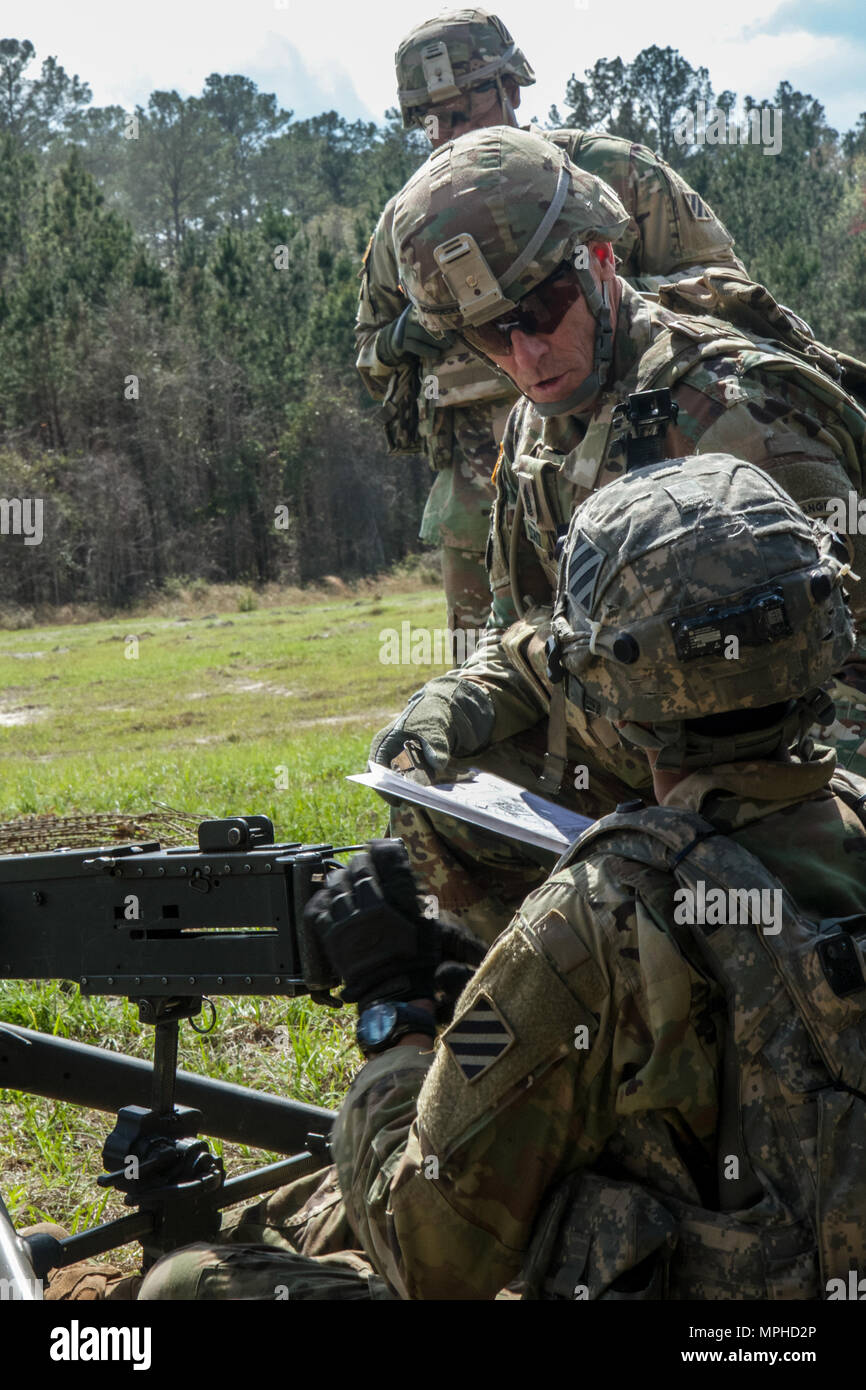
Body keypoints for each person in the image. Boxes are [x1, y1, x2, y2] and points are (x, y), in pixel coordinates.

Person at [137, 452, 866, 1299]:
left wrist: (395, 1022)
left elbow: (428, 1254)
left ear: (612, 685)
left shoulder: (598, 917)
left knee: (185, 1286)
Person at [369, 125, 866, 944]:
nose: (525, 354)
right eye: (491, 334)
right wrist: (448, 705)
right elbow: (520, 627)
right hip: (651, 733)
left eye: (542, 309)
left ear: (599, 260)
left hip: (785, 747)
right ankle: (564, 994)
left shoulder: (728, 411)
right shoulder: (533, 435)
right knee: (437, 793)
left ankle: (749, 988)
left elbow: (832, 651)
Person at [356, 7, 746, 632]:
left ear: (510, 88)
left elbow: (725, 292)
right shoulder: (408, 225)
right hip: (479, 504)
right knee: (488, 684)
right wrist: (423, 328)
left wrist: (597, 301)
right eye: (429, 121)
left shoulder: (607, 172)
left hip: (642, 467)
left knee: (656, 659)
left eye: (461, 112)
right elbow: (371, 354)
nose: (446, 134)